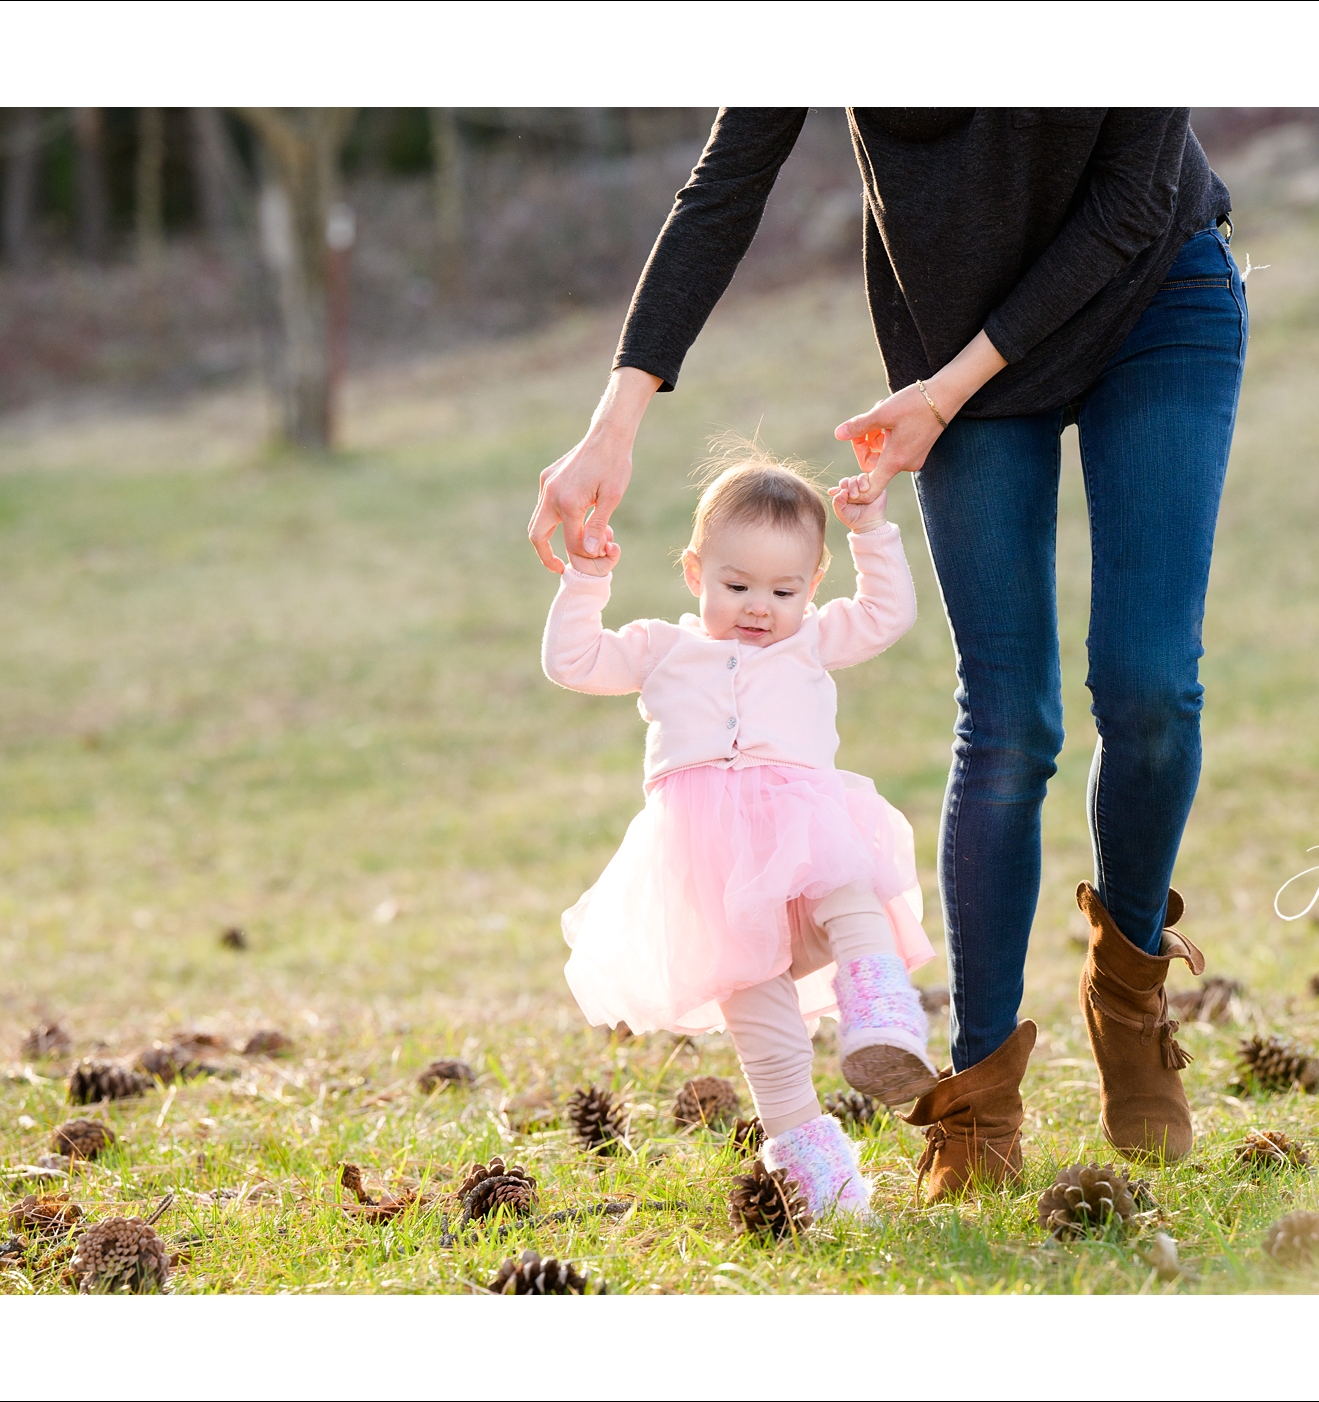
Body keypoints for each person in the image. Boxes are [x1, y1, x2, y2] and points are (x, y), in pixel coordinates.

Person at [530, 109, 1247, 1193]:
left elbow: (1131, 197)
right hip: (948, 339)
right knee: (1010, 720)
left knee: (1148, 688)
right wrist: (614, 420)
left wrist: (947, 389)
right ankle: (979, 1088)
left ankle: (1128, 983)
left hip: (1150, 295)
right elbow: (723, 187)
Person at [541, 442, 936, 1219]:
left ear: (813, 586)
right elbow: (573, 661)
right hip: (712, 870)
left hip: (803, 833)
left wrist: (869, 532)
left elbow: (890, 615)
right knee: (764, 1028)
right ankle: (821, 1177)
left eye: (784, 589)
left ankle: (880, 1015)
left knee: (853, 894)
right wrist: (588, 576)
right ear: (694, 573)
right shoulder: (664, 647)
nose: (761, 606)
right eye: (737, 584)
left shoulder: (811, 638)